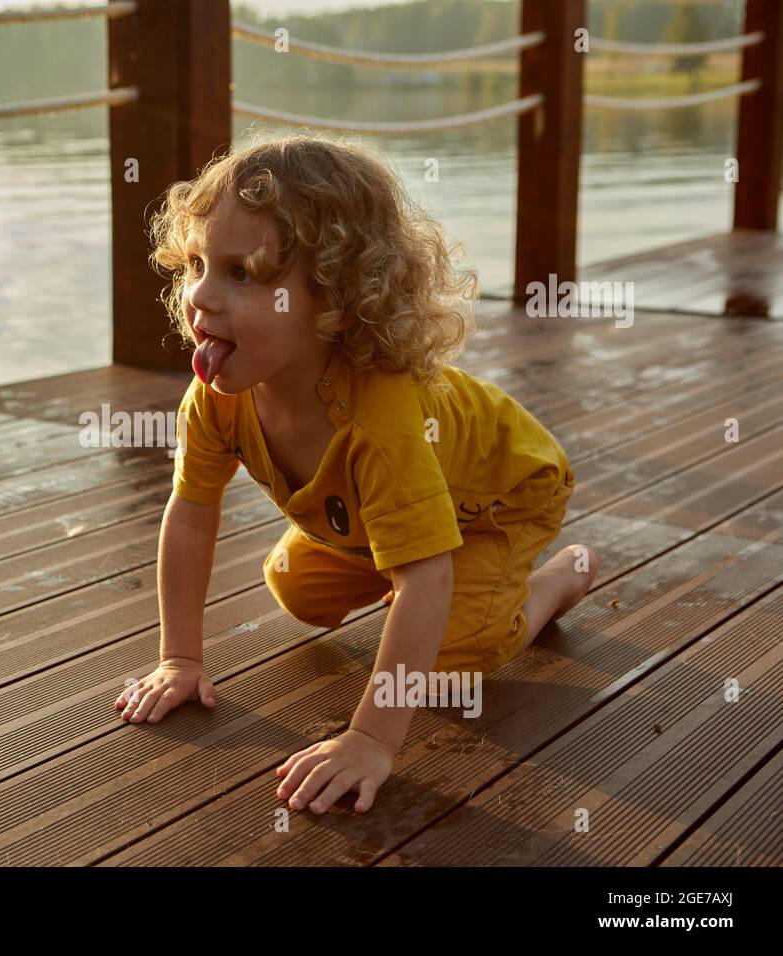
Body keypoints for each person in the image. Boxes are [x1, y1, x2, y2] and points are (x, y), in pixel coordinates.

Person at [113, 134, 598, 816]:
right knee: (296, 589)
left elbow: (427, 575)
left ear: (337, 300)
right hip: (386, 518)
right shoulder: (216, 396)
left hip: (499, 498)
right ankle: (396, 560)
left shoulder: (380, 419)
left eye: (242, 273)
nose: (200, 296)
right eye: (197, 264)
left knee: (450, 659)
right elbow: (190, 513)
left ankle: (552, 583)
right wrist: (180, 659)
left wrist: (371, 738)